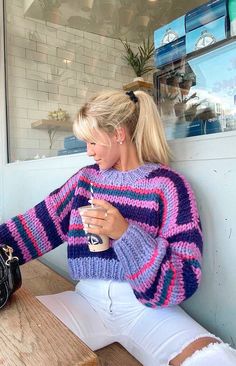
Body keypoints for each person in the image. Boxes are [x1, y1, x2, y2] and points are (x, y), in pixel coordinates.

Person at [0, 90, 236, 366]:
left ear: (118, 134)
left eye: (91, 141)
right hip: (87, 301)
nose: (87, 151)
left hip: (148, 309)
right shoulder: (85, 180)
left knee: (217, 359)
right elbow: (36, 224)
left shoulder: (169, 186)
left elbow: (185, 274)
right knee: (10, 331)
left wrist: (125, 233)